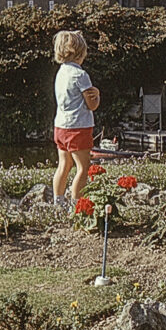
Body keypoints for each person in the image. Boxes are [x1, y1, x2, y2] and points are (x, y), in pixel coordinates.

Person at [52, 30, 100, 209]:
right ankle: (76, 204)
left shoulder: (61, 72)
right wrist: (98, 95)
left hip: (61, 126)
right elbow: (92, 104)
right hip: (78, 127)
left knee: (63, 165)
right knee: (83, 168)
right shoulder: (81, 75)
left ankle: (58, 204)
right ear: (81, 53)